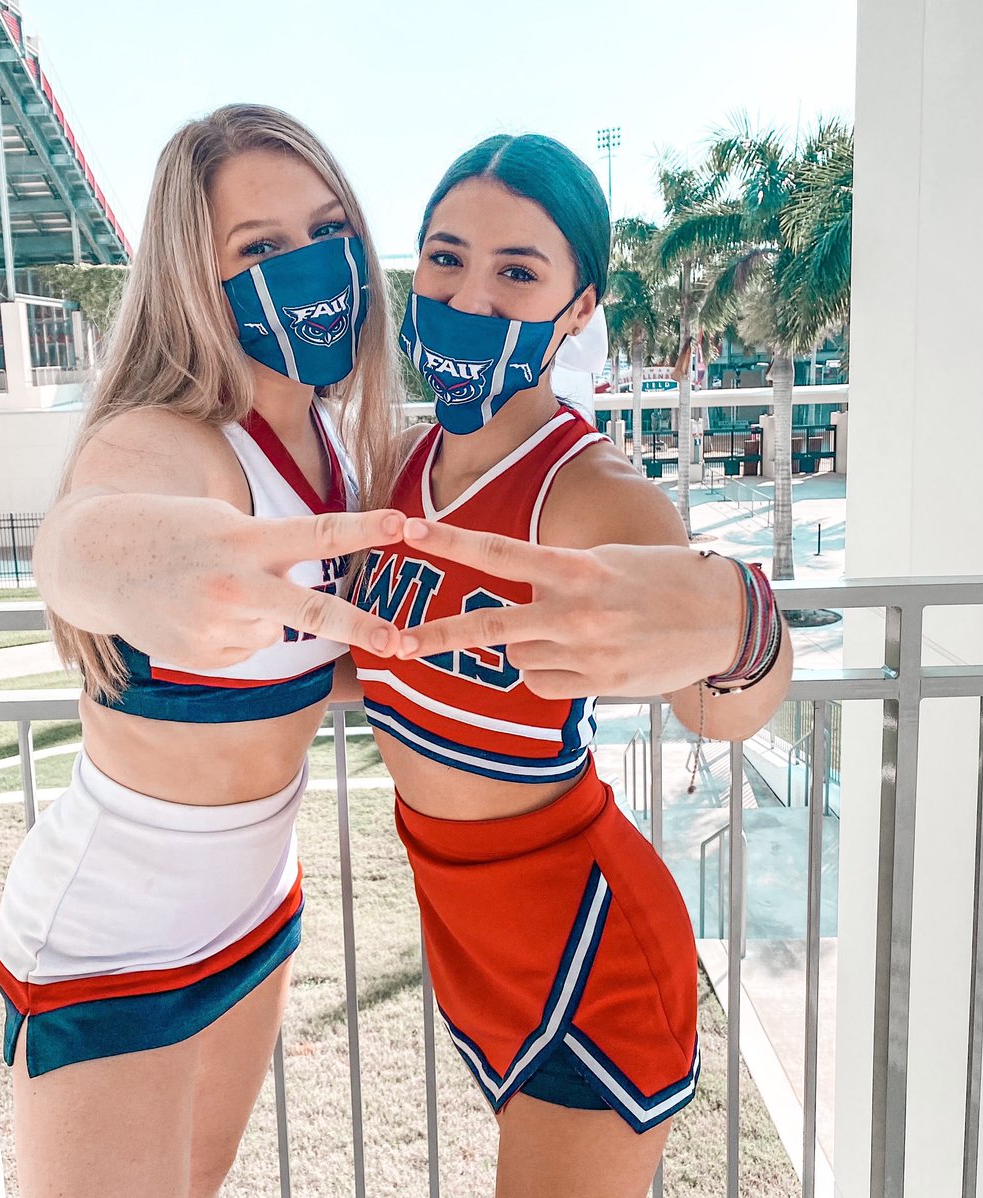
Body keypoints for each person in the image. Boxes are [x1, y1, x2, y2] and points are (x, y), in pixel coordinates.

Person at [351, 134, 792, 1198]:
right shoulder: (394, 465)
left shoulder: (597, 496)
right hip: (470, 939)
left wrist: (743, 619)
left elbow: (722, 712)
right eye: (446, 259)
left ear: (578, 306)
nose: (468, 295)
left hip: (588, 956)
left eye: (517, 272)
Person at [0, 104, 405, 1198]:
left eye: (327, 232)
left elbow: (311, 656)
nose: (307, 269)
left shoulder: (335, 448)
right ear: (192, 276)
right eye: (259, 251)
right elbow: (86, 540)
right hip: (111, 946)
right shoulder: (169, 439)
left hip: (255, 910)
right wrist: (119, 561)